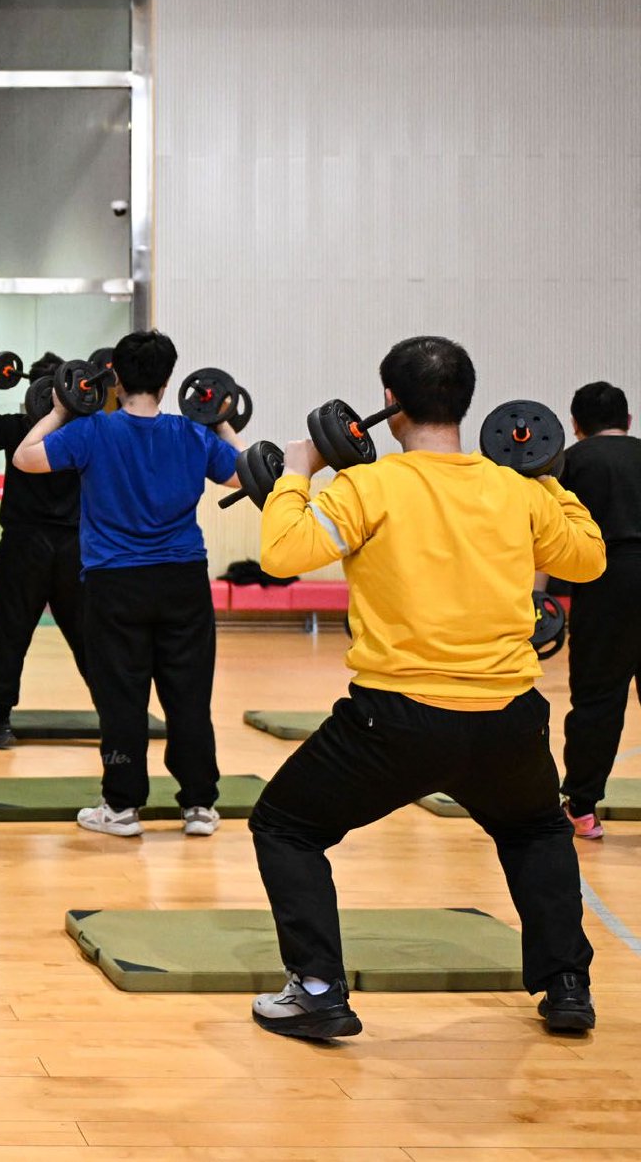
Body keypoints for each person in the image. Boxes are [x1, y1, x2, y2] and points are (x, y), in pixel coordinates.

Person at [248, 336, 606, 1041]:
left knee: (285, 826)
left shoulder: (367, 486)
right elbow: (588, 558)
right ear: (467, 404)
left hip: (398, 722)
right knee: (536, 829)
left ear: (390, 401)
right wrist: (544, 476)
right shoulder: (516, 490)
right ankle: (567, 986)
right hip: (508, 719)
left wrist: (297, 470)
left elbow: (281, 550)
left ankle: (318, 987)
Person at [12, 330, 240, 838]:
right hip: (183, 581)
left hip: (114, 585)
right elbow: (246, 476)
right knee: (188, 695)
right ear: (168, 381)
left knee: (122, 698)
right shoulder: (193, 435)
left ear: (113, 376)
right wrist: (221, 423)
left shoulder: (92, 431)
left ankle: (121, 808)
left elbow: (25, 457)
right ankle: (199, 806)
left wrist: (58, 409)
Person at [0, 351, 88, 749]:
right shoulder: (89, 432)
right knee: (87, 638)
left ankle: (0, 723)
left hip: (24, 548)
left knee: (11, 637)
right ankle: (115, 715)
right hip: (73, 549)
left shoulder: (19, 429)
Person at [557, 381, 641, 839]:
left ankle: (583, 810)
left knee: (598, 699)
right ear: (628, 422)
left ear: (575, 425)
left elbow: (547, 534)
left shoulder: (570, 461)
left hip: (606, 582)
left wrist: (536, 596)